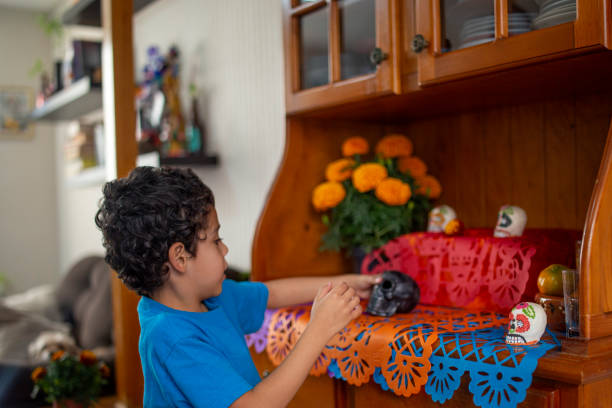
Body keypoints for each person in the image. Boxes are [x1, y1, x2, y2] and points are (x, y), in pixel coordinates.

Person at [95, 166, 381, 408]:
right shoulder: (171, 338)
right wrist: (318, 329)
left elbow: (274, 293)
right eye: (216, 240)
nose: (225, 248)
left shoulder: (211, 299)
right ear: (180, 257)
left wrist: (348, 283)